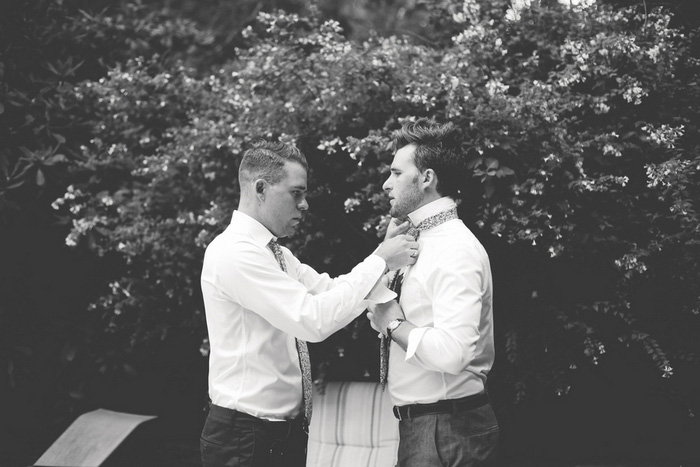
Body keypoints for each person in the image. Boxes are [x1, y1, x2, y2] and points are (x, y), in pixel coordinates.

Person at [199, 139, 419, 467]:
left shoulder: (277, 254)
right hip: (245, 438)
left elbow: (331, 292)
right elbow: (312, 320)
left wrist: (382, 254)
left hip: (279, 435)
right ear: (260, 188)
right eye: (296, 193)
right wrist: (380, 261)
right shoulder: (235, 253)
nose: (304, 205)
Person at [367, 118, 499, 466]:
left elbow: (453, 354)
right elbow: (374, 301)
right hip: (425, 427)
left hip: (448, 429)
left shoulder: (454, 249)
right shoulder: (418, 241)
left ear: (426, 178)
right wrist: (387, 245)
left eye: (396, 173)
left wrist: (394, 326)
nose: (386, 183)